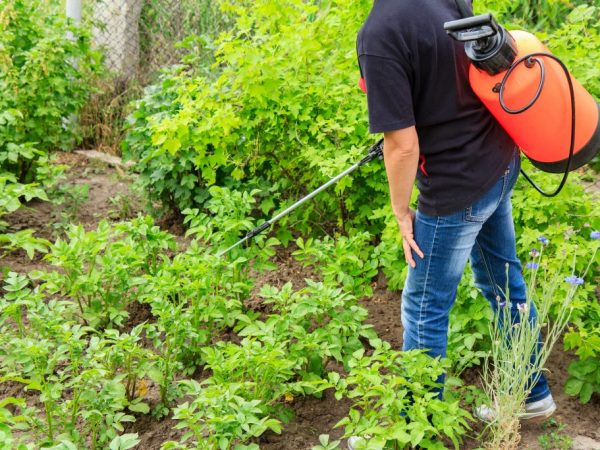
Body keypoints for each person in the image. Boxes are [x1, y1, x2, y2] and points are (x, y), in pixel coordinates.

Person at [349, 0, 555, 448]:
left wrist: (402, 212)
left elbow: (401, 145)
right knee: (505, 285)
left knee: (425, 307)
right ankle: (531, 393)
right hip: (498, 162)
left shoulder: (379, 34)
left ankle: (417, 430)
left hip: (455, 188)